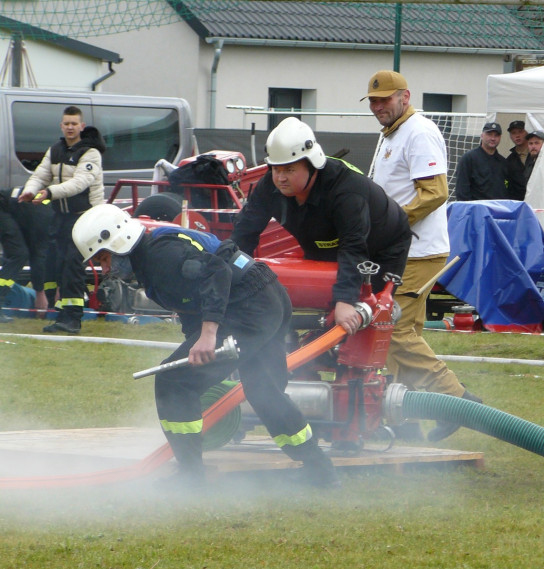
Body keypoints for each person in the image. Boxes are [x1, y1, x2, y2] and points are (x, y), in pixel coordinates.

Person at [72, 204, 337, 486]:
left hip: (249, 308)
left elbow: (217, 272)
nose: (105, 268)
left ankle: (191, 477)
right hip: (267, 299)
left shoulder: (160, 257)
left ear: (118, 243)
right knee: (263, 390)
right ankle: (321, 471)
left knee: (174, 382)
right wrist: (197, 337)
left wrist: (209, 333)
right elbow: (192, 306)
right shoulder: (152, 257)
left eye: (104, 258)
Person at [364, 69, 482, 442]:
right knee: (397, 333)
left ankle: (458, 399)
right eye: (373, 101)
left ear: (405, 97)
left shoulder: (419, 132)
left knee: (390, 327)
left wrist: (389, 227)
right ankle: (405, 419)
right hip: (405, 250)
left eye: (385, 99)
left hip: (416, 251)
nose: (379, 106)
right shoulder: (394, 134)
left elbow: (434, 193)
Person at [229, 117, 410, 337]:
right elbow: (244, 233)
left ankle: (357, 368)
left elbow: (353, 246)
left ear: (311, 165)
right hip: (325, 243)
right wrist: (230, 278)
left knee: (368, 320)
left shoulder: (347, 190)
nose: (280, 178)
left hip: (380, 247)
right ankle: (305, 367)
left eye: (289, 170)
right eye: (275, 169)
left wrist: (346, 300)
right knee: (315, 314)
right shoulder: (269, 186)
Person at [18, 105, 105, 335]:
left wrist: (48, 192)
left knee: (72, 266)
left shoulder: (91, 153)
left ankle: (73, 319)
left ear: (81, 126)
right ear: (61, 125)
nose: (70, 127)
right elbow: (40, 174)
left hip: (85, 218)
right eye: (66, 123)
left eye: (74, 123)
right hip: (62, 217)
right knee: (56, 265)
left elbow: (79, 183)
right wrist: (30, 190)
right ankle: (62, 316)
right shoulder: (55, 150)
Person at [0, 187, 55, 321]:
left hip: (9, 209)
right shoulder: (46, 219)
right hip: (3, 208)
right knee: (18, 255)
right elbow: (37, 257)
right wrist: (40, 294)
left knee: (14, 255)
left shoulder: (50, 211)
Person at [454, 122, 508, 201]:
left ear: (500, 138)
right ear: (482, 136)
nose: (493, 138)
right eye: (489, 134)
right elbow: (461, 190)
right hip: (476, 210)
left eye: (496, 135)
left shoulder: (503, 162)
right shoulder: (469, 158)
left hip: (498, 210)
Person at [505, 120, 530, 201]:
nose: (517, 135)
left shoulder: (538, 154)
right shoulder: (509, 160)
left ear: (527, 132)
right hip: (518, 204)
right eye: (513, 133)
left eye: (520, 131)